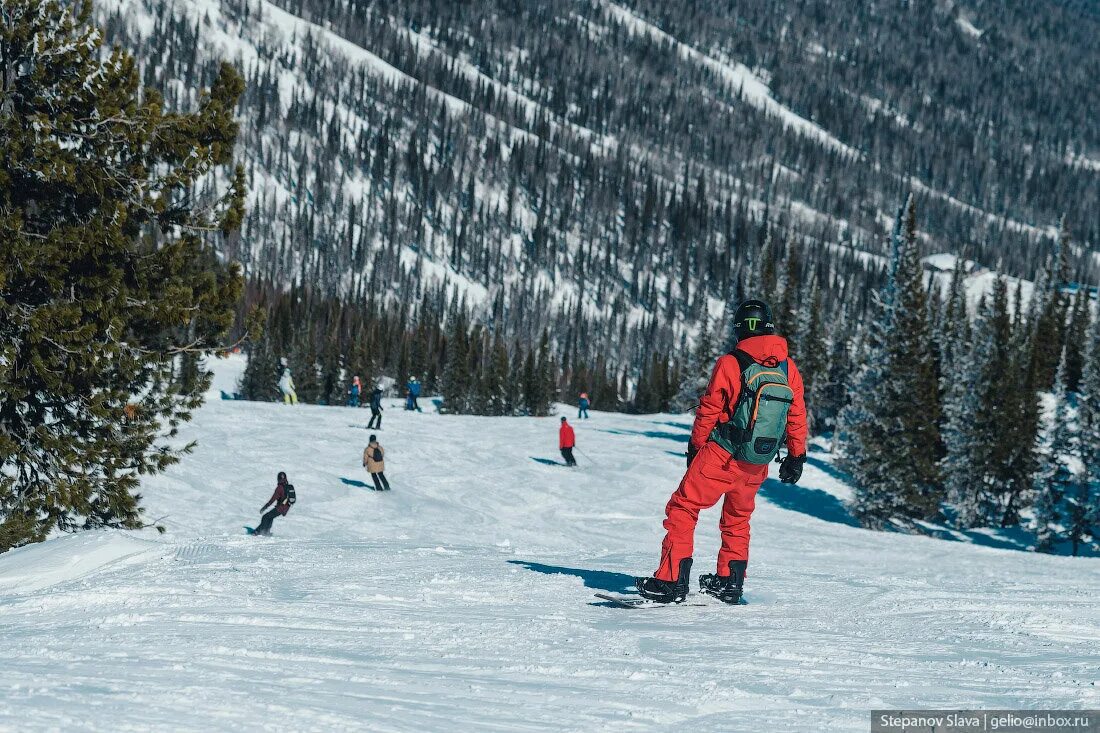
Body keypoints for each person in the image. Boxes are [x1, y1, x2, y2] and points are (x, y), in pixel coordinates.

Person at [635, 299, 807, 605]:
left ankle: (671, 580)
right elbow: (796, 414)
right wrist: (796, 456)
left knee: (683, 507)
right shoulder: (787, 367)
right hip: (757, 459)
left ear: (740, 329)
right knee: (738, 519)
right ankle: (729, 582)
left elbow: (709, 410)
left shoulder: (731, 362)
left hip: (724, 453)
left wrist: (695, 447)